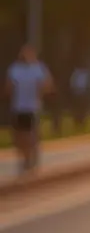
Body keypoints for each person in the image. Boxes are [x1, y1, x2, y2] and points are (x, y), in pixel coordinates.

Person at [5, 44, 54, 174]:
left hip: (33, 107)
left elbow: (48, 84)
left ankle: (32, 159)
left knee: (32, 134)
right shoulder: (15, 69)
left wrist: (41, 90)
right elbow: (8, 87)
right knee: (19, 135)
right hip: (18, 107)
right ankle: (24, 159)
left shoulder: (38, 68)